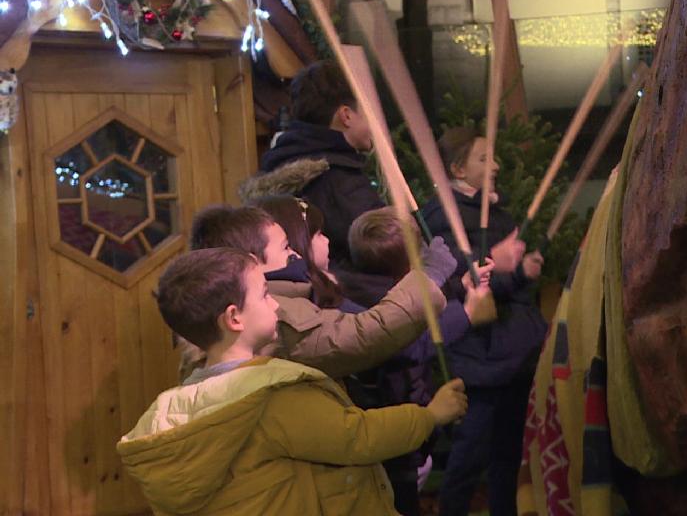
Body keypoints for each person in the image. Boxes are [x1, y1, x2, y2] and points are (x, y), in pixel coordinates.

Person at [117, 247, 468, 515]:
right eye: (265, 294)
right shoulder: (270, 397)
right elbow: (359, 436)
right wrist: (430, 415)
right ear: (234, 317)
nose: (276, 304)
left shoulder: (173, 411)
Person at [421, 126, 548, 516]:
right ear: (458, 169)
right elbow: (454, 281)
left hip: (512, 354)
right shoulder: (442, 218)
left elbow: (502, 282)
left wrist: (523, 270)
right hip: (480, 358)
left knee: (508, 454)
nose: (494, 165)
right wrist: (501, 262)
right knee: (470, 454)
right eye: (483, 158)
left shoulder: (498, 210)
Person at [345, 207, 499, 516]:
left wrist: (462, 287)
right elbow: (410, 340)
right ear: (408, 268)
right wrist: (467, 313)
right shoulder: (369, 305)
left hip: (406, 432)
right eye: (421, 256)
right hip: (395, 439)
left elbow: (418, 303)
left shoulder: (370, 285)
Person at [187, 204, 453, 381]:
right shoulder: (273, 312)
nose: (295, 255)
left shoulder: (257, 303)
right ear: (250, 262)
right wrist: (430, 275)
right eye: (285, 247)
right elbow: (363, 335)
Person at [259, 60, 383, 269]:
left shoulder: (285, 157)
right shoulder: (339, 180)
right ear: (346, 115)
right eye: (370, 111)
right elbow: (386, 253)